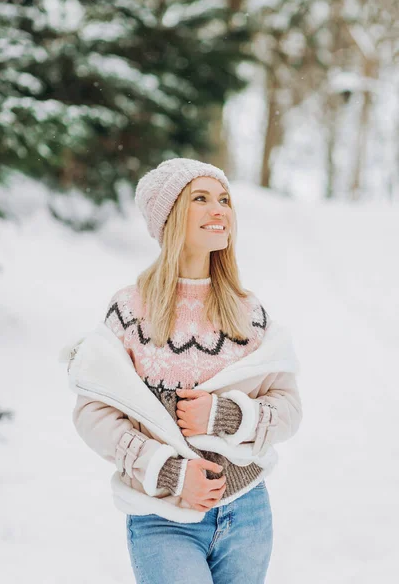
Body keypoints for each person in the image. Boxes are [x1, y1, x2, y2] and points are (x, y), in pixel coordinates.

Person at [68, 158, 302, 583]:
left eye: (225, 200)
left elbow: (287, 407)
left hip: (246, 511)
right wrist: (171, 471)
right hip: (162, 516)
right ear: (171, 215)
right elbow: (93, 414)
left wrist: (223, 415)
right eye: (201, 198)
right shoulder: (130, 310)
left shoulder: (249, 313)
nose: (220, 210)